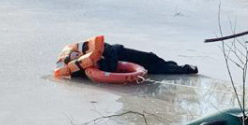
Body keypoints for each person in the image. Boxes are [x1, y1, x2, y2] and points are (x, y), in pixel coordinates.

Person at [55, 35, 198, 78]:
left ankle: (177, 67)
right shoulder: (81, 69)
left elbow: (110, 52)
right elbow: (108, 70)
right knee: (154, 65)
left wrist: (102, 61)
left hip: (121, 53)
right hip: (121, 63)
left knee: (152, 59)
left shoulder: (89, 47)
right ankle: (183, 69)